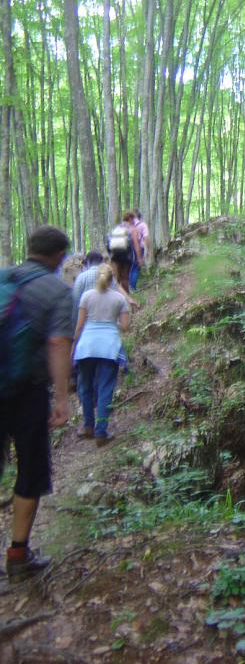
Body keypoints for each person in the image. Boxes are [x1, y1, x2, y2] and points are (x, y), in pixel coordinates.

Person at [0, 226, 73, 581]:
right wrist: (62, 398)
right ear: (59, 257)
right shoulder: (58, 291)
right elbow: (59, 343)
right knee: (30, 469)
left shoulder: (2, 279)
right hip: (26, 392)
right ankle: (17, 555)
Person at [72, 263, 129, 446]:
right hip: (109, 347)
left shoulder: (86, 296)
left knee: (85, 387)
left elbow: (80, 325)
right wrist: (112, 323)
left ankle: (88, 426)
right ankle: (101, 432)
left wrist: (74, 345)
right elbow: (126, 326)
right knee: (105, 388)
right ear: (113, 278)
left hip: (86, 346)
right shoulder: (120, 299)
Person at [107, 212, 143, 294]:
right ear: (130, 218)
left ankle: (114, 296)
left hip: (115, 256)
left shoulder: (117, 228)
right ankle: (126, 299)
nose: (134, 220)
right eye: (133, 218)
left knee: (116, 278)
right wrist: (139, 258)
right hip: (126, 257)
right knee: (125, 278)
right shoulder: (133, 229)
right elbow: (137, 245)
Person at [129, 210, 150, 291]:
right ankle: (132, 287)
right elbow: (146, 237)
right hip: (139, 248)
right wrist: (148, 249)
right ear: (140, 216)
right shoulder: (142, 225)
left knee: (130, 266)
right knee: (136, 267)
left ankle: (127, 286)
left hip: (128, 248)